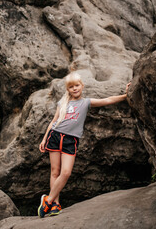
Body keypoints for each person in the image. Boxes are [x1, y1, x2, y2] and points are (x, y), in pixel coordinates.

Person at [38, 71, 130, 218]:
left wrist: (126, 96)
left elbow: (108, 100)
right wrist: (44, 139)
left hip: (70, 140)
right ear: (67, 89)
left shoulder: (86, 102)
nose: (74, 89)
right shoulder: (62, 102)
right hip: (55, 136)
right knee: (55, 171)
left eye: (77, 85)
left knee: (66, 172)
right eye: (71, 87)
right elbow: (54, 121)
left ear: (82, 86)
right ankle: (55, 204)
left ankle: (47, 200)